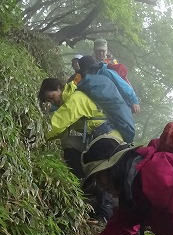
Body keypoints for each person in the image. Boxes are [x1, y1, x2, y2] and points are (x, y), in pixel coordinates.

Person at [38, 78, 122, 218]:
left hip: (108, 140)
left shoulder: (76, 99)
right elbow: (61, 131)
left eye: (51, 97)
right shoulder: (70, 100)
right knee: (69, 141)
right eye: (49, 100)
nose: (52, 102)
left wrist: (35, 134)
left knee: (103, 171)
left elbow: (56, 125)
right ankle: (85, 182)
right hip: (98, 139)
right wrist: (41, 139)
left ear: (59, 87)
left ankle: (104, 214)